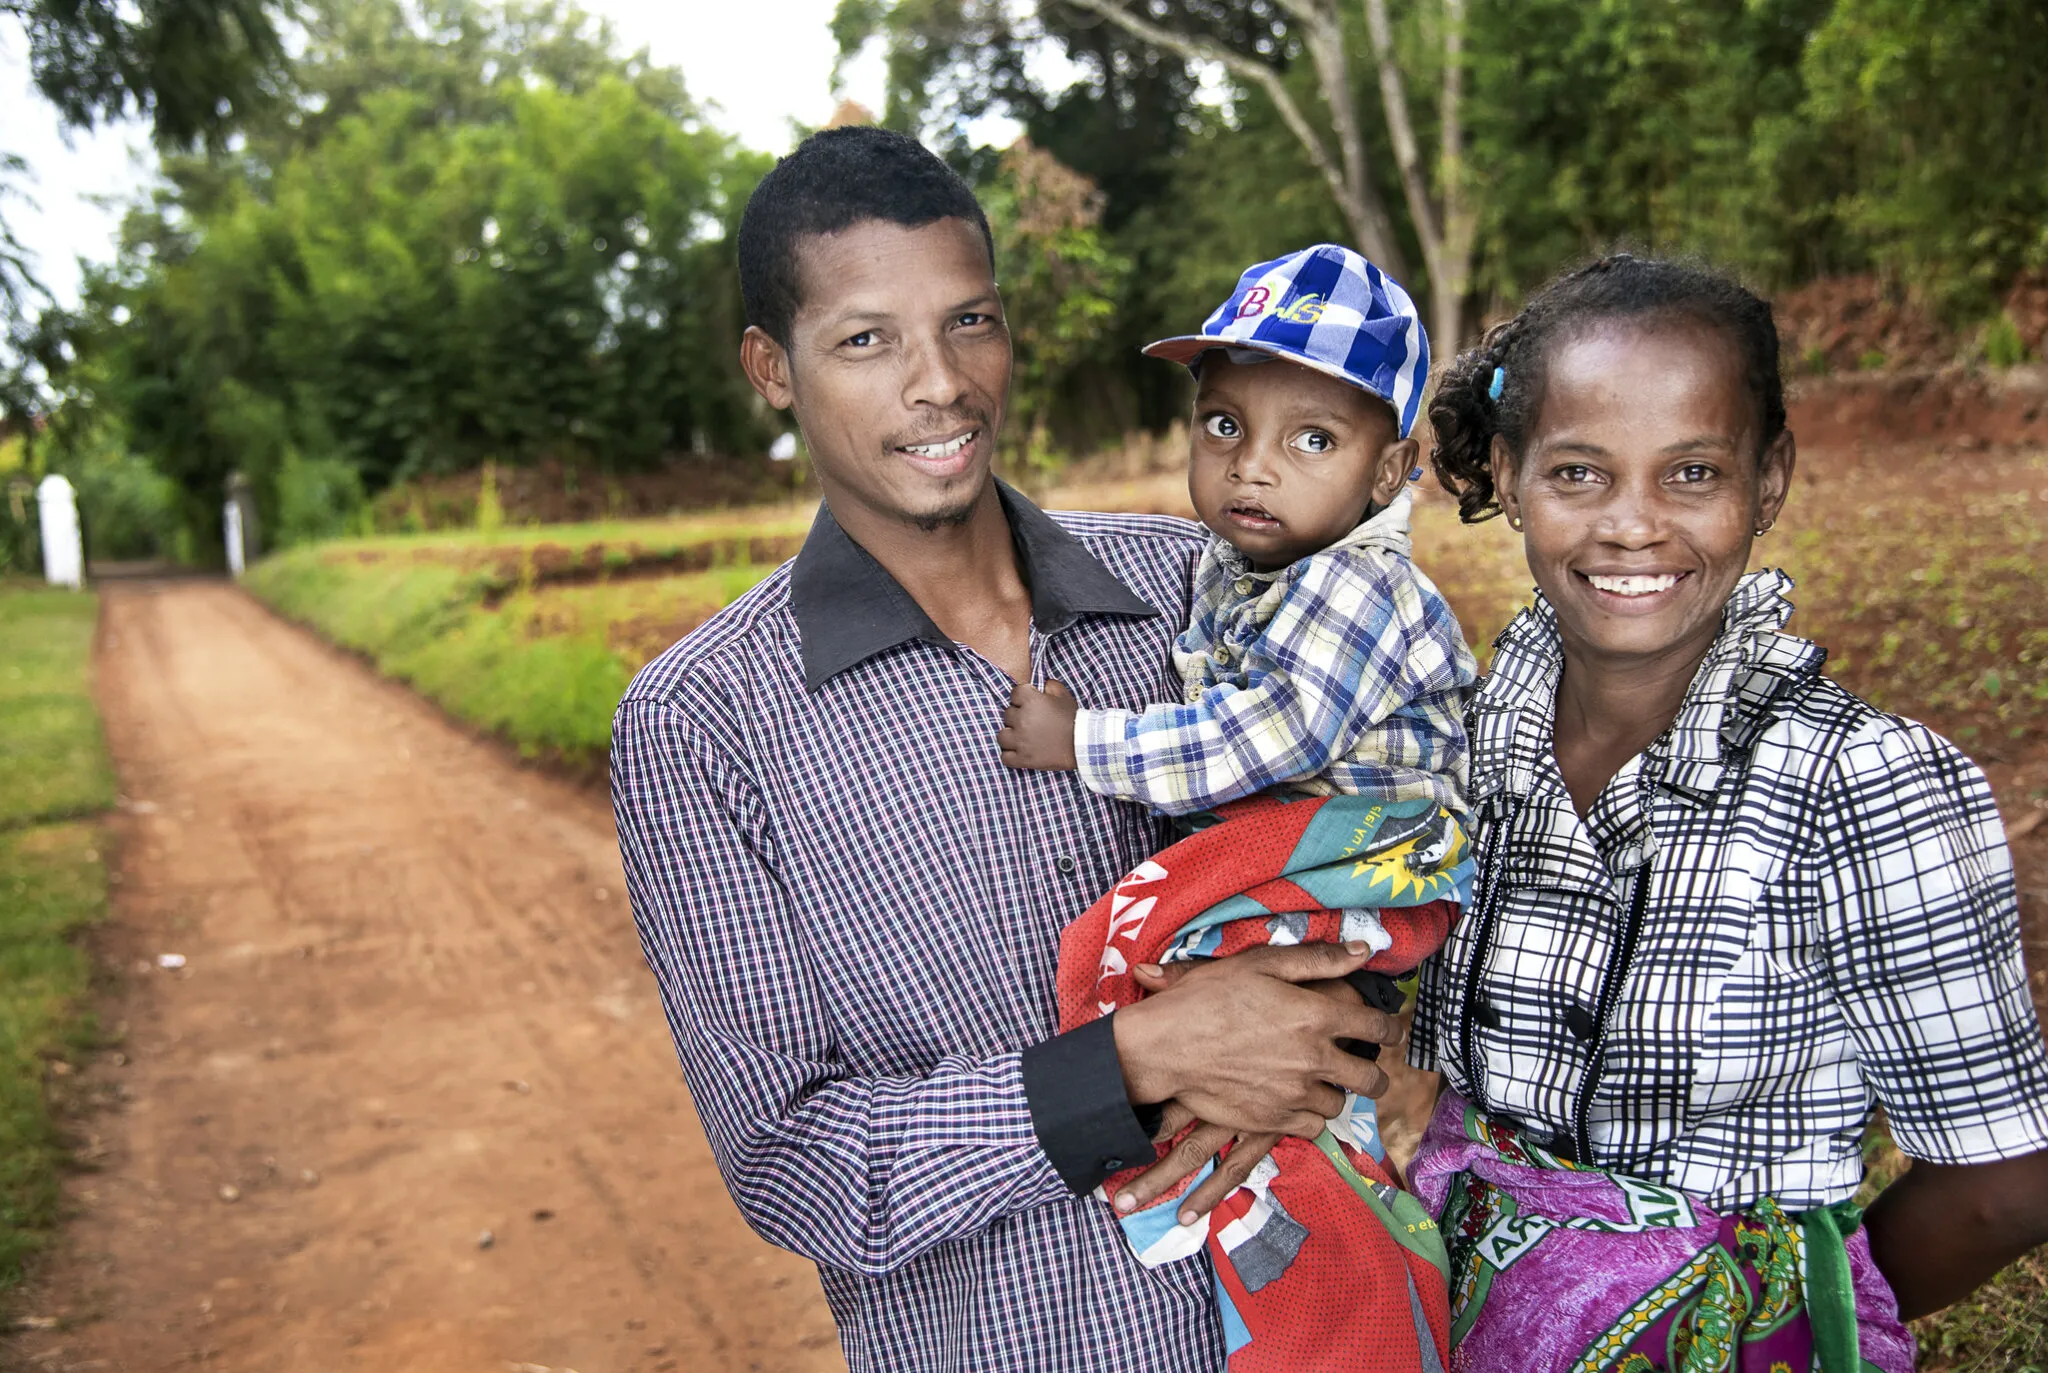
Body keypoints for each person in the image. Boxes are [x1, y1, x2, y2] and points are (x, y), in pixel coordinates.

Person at [609, 126, 1406, 1373]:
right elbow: (792, 1164)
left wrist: (1356, 1018)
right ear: (773, 366)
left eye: (968, 322)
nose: (940, 382)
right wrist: (1134, 1059)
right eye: (866, 339)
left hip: (1341, 1327)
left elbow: (1396, 829)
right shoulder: (704, 721)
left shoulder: (1193, 585)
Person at [1397, 253, 2048, 1371]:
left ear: (1770, 476)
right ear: (1506, 476)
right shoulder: (1457, 739)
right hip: (1440, 1314)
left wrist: (1781, 1315)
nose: (1633, 526)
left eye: (1690, 472)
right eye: (1578, 474)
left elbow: (2001, 1183)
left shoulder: (1866, 785)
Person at [996, 244, 1480, 1370]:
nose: (1252, 468)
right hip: (1312, 854)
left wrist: (1083, 742)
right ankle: (1234, 1159)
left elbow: (1257, 737)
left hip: (1373, 850)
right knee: (1181, 988)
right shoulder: (1243, 561)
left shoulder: (1354, 582)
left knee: (1123, 942)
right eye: (1224, 427)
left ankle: (1199, 1162)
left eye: (1310, 439)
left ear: (1388, 470)